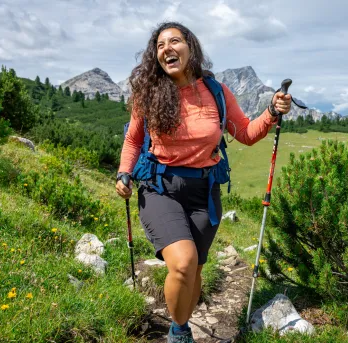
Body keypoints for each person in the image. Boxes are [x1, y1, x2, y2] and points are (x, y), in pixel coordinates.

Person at [116, 21, 292, 343]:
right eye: (159, 45)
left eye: (174, 41)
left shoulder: (216, 92)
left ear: (190, 47)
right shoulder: (148, 94)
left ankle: (180, 324)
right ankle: (179, 331)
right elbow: (132, 140)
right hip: (160, 188)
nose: (166, 48)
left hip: (204, 193)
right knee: (183, 263)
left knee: (195, 269)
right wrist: (124, 173)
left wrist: (271, 111)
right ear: (155, 56)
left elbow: (246, 133)